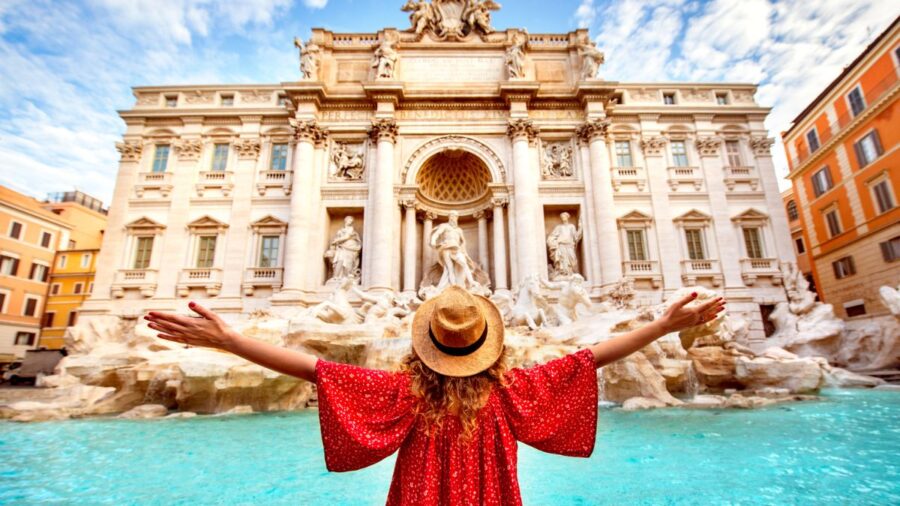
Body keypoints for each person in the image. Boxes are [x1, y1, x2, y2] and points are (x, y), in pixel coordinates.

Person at [145, 286, 724, 505]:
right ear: (488, 346)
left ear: (428, 346)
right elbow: (594, 355)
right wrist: (663, 325)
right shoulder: (514, 390)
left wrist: (231, 341)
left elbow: (312, 370)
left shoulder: (403, 393)